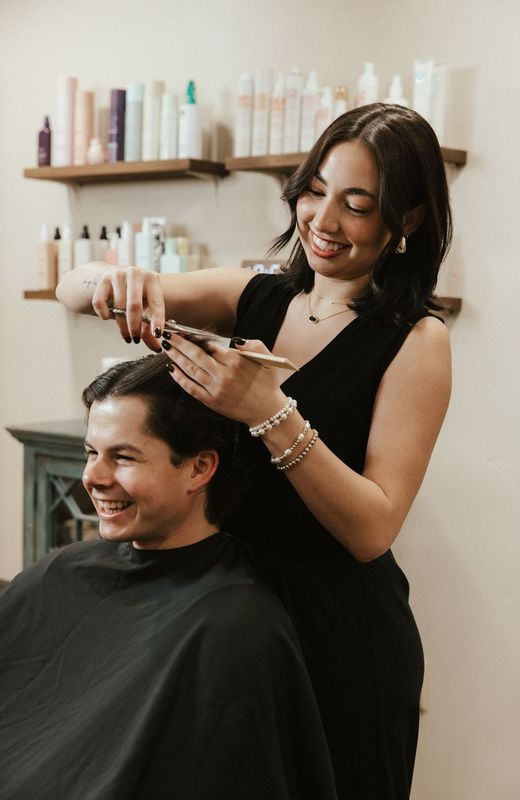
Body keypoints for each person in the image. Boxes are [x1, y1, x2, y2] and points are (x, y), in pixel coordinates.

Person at [56, 103, 453, 800]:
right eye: (315, 190)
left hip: (337, 637)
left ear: (408, 220)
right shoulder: (254, 295)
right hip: (229, 621)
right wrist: (114, 280)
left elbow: (373, 528)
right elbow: (71, 288)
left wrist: (269, 412)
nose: (323, 221)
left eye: (357, 204)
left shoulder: (417, 342)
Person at [0, 355, 339, 800]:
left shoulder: (234, 625)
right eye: (91, 452)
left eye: (123, 457)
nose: (93, 478)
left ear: (199, 468)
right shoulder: (60, 573)